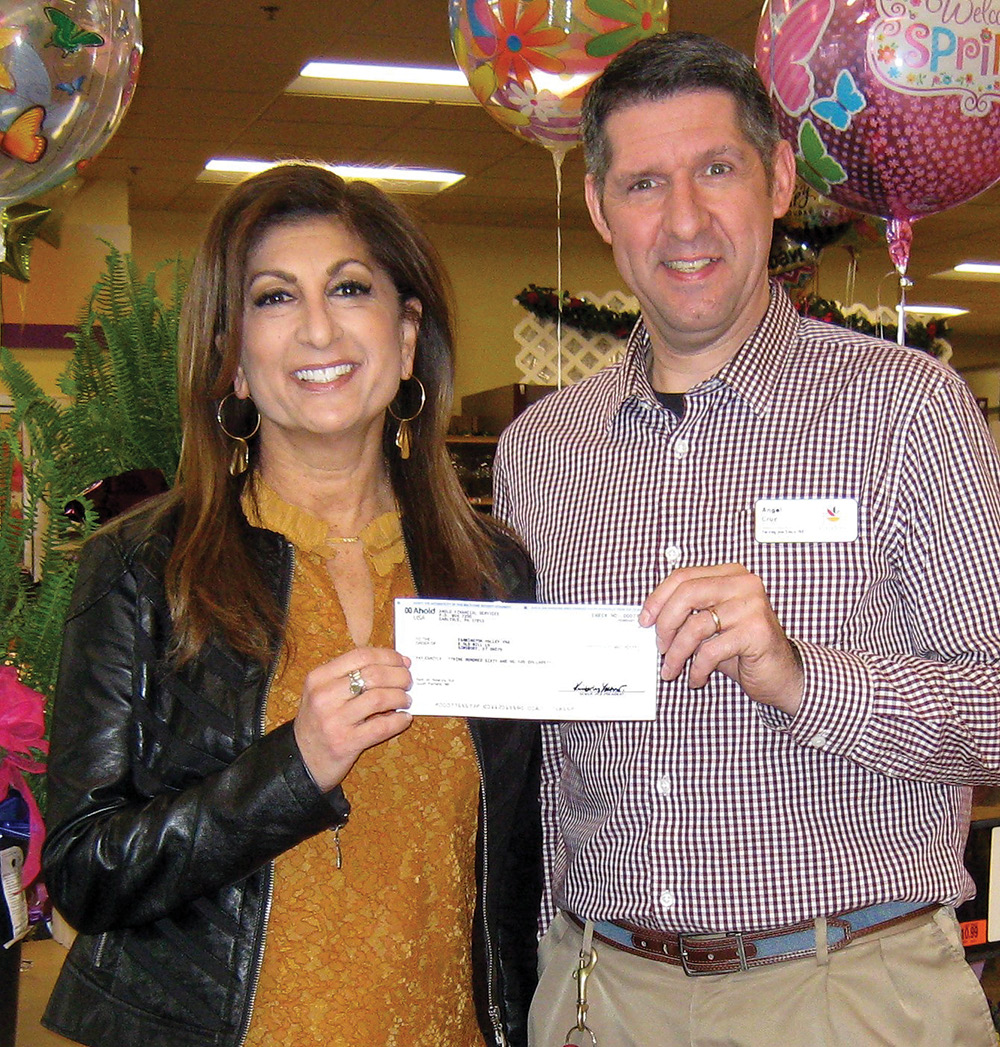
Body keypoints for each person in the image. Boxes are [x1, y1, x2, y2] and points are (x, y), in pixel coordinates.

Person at [492, 31, 1000, 1047]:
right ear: (599, 208)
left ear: (776, 179)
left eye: (716, 170)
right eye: (643, 184)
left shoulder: (907, 410)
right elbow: (542, 763)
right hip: (602, 993)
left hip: (847, 992)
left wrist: (800, 676)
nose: (684, 220)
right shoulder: (539, 452)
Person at [41, 162, 541, 1047]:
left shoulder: (492, 574)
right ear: (233, 357)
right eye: (274, 298)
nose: (317, 327)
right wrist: (292, 768)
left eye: (349, 288)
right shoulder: (144, 567)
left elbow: (516, 863)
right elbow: (85, 870)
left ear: (407, 334)